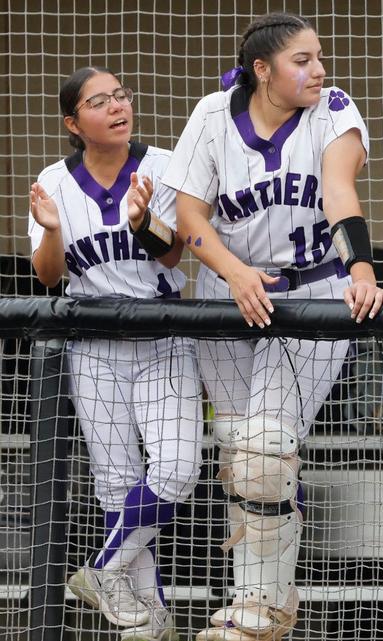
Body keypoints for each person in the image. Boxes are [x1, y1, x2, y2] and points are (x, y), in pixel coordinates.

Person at [162, 12, 383, 640]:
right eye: (301, 60)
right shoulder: (212, 114)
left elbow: (340, 191)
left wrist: (362, 266)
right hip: (229, 293)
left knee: (265, 451)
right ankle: (264, 604)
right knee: (244, 459)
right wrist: (232, 270)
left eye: (319, 57)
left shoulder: (332, 109)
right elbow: (187, 212)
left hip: (310, 291)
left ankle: (253, 614)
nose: (318, 69)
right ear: (262, 71)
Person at [28, 65, 199, 641]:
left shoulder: (162, 165)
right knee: (117, 484)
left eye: (121, 96)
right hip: (95, 347)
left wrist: (144, 221)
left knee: (176, 470)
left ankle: (102, 571)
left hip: (162, 339)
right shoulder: (53, 181)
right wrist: (51, 230)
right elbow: (49, 277)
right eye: (100, 102)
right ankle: (147, 625)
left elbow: (173, 257)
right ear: (74, 123)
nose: (117, 106)